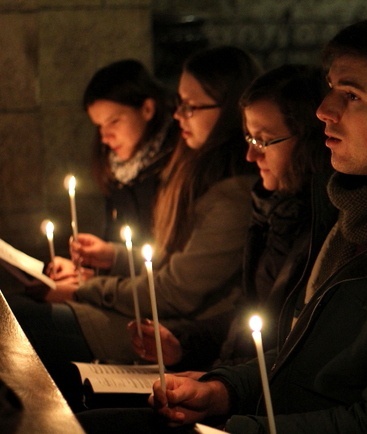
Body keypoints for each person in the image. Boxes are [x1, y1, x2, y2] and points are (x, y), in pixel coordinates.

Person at [115, 14, 367, 434]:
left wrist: (240, 424)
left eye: (350, 96)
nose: (324, 110)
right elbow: (302, 352)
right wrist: (222, 389)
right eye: (331, 89)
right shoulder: (347, 204)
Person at [7, 46, 261, 407]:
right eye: (179, 102)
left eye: (191, 106)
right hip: (143, 308)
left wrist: (87, 288)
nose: (179, 115)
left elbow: (176, 289)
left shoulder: (233, 188)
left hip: (168, 325)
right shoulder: (186, 169)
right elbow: (160, 257)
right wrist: (106, 264)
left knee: (20, 325)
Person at [128, 64, 336, 371]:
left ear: (308, 138)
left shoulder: (324, 227)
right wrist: (180, 343)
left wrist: (219, 385)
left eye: (264, 140)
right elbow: (247, 316)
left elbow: (290, 351)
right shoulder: (271, 210)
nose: (251, 156)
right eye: (250, 140)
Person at [83, 59, 180, 244]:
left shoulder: (178, 164)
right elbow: (115, 241)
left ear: (147, 109)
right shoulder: (116, 170)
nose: (105, 137)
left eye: (114, 122)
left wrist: (111, 260)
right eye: (99, 126)